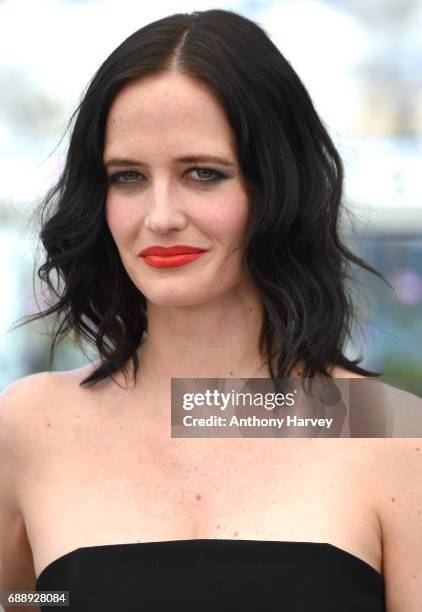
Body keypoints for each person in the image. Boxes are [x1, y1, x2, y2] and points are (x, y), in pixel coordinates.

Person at [0, 8, 421, 611]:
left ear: (278, 187)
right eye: (127, 176)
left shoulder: (394, 436)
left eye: (204, 173)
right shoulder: (31, 428)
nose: (161, 215)